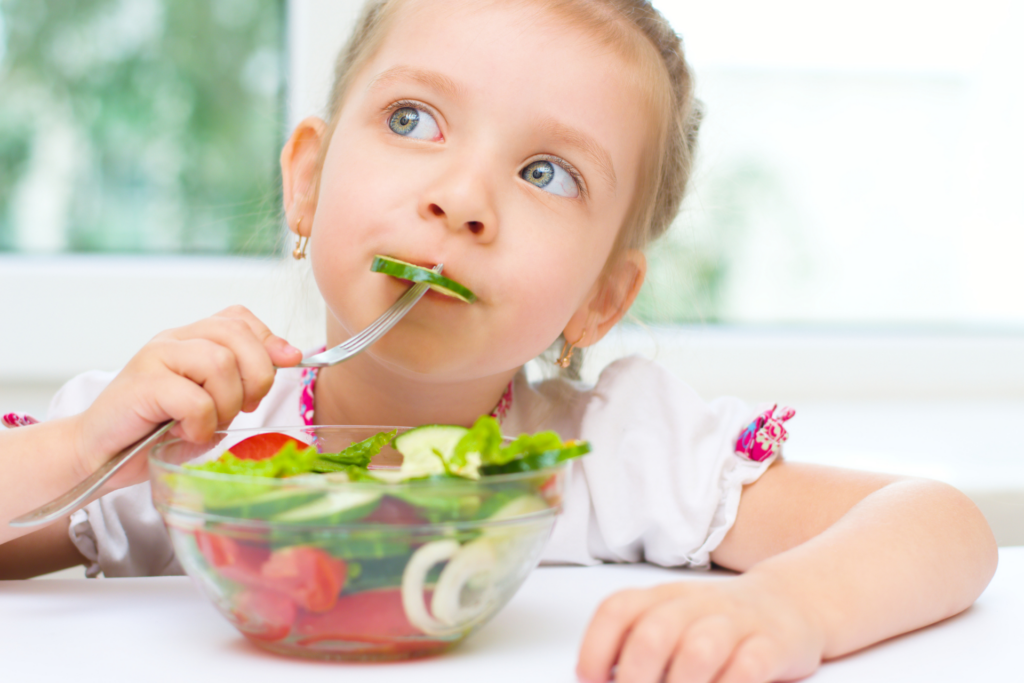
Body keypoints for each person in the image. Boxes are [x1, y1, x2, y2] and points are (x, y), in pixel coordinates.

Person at [0, 1, 997, 681]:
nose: (462, 197)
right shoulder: (188, 434)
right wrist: (79, 450)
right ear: (306, 181)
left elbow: (943, 526)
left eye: (546, 173)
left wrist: (790, 611)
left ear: (599, 300)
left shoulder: (616, 448)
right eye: (412, 117)